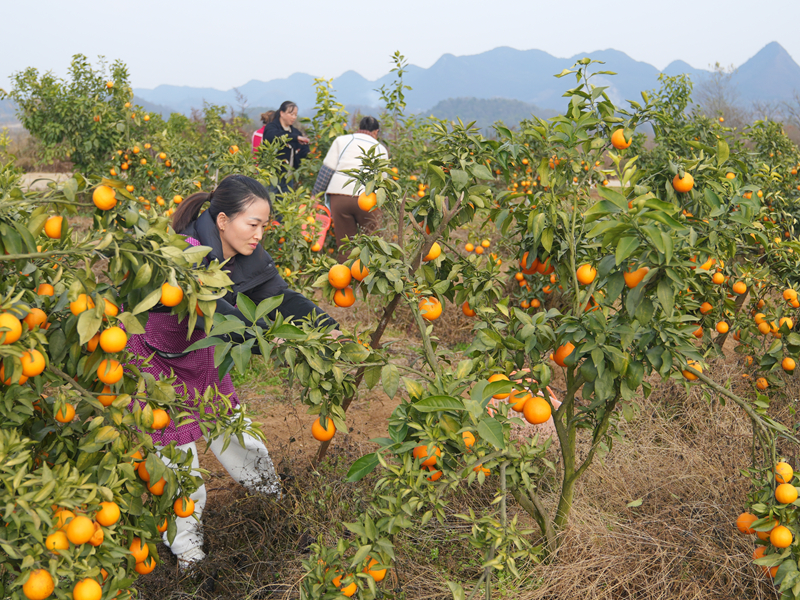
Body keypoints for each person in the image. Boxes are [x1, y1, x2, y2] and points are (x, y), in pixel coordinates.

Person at [126, 174, 337, 569]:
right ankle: (187, 552)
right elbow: (219, 312)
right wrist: (261, 338)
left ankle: (272, 505)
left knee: (240, 436)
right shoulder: (184, 255)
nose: (258, 234)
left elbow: (280, 296)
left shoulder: (245, 254)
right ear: (222, 220)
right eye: (252, 224)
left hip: (202, 355)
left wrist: (328, 327)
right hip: (157, 365)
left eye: (263, 225)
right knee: (179, 464)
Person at [311, 116, 389, 261]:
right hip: (368, 199)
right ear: (376, 132)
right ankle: (372, 277)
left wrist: (315, 196)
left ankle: (347, 280)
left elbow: (326, 171)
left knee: (346, 245)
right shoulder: (380, 148)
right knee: (373, 243)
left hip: (340, 196)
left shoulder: (342, 141)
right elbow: (382, 181)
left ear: (359, 128)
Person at [261, 101, 310, 194]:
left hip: (288, 177)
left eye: (295, 115)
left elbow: (303, 151)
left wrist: (309, 153)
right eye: (291, 114)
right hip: (272, 176)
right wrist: (295, 138)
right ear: (282, 113)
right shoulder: (271, 127)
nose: (294, 117)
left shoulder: (295, 132)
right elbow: (275, 136)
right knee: (270, 202)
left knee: (285, 204)